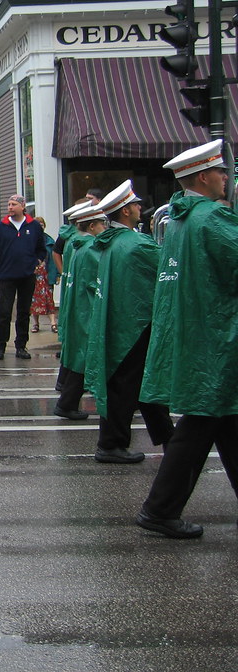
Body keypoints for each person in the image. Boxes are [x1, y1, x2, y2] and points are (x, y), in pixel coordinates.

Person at [136, 140, 238, 539]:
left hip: (199, 335)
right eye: (221, 172)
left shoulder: (177, 219)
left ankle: (160, 510)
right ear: (202, 176)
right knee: (201, 423)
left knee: (227, 421)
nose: (227, 178)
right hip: (217, 338)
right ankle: (159, 510)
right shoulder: (212, 218)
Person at [81, 181, 175, 464]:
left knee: (134, 386)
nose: (139, 208)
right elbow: (167, 266)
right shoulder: (136, 244)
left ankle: (168, 440)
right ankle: (113, 445)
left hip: (121, 323)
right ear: (124, 212)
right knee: (133, 386)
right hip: (135, 325)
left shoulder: (111, 243)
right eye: (135, 205)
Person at [53, 203, 106, 420]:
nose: (105, 227)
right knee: (85, 356)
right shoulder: (91, 247)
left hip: (78, 307)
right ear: (92, 226)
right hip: (88, 307)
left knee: (80, 356)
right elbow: (97, 282)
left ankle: (67, 400)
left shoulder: (77, 245)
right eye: (103, 223)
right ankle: (67, 402)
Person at [0, 194, 47, 360]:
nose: (10, 207)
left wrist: (37, 261)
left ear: (22, 206)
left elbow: (42, 248)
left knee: (23, 312)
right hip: (6, 276)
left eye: (13, 204)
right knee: (4, 313)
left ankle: (21, 345)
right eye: (8, 204)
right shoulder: (0, 227)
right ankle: (0, 346)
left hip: (27, 276)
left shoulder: (34, 226)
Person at [29, 217, 59, 334]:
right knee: (34, 300)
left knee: (49, 299)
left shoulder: (50, 241)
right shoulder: (30, 240)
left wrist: (57, 274)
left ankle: (53, 323)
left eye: (41, 224)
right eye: (37, 224)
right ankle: (36, 324)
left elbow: (55, 259)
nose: (40, 226)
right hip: (34, 275)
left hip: (47, 274)